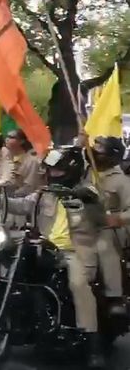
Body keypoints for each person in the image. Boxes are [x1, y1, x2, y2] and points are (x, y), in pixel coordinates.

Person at [2, 147, 105, 368]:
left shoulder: (89, 192)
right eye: (51, 170)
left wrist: (87, 200)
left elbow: (101, 216)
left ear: (73, 170)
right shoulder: (43, 194)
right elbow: (22, 205)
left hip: (74, 251)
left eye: (58, 171)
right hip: (45, 246)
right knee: (13, 268)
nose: (53, 174)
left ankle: (93, 344)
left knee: (78, 285)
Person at [85, 135, 130, 316]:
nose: (95, 152)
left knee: (105, 246)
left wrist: (117, 219)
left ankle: (114, 296)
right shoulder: (85, 172)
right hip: (83, 224)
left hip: (112, 228)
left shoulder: (122, 181)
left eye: (100, 150)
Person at [4, 129, 42, 197]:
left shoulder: (31, 161)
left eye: (11, 137)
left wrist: (9, 196)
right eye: (7, 137)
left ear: (22, 141)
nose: (7, 139)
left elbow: (30, 186)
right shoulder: (5, 159)